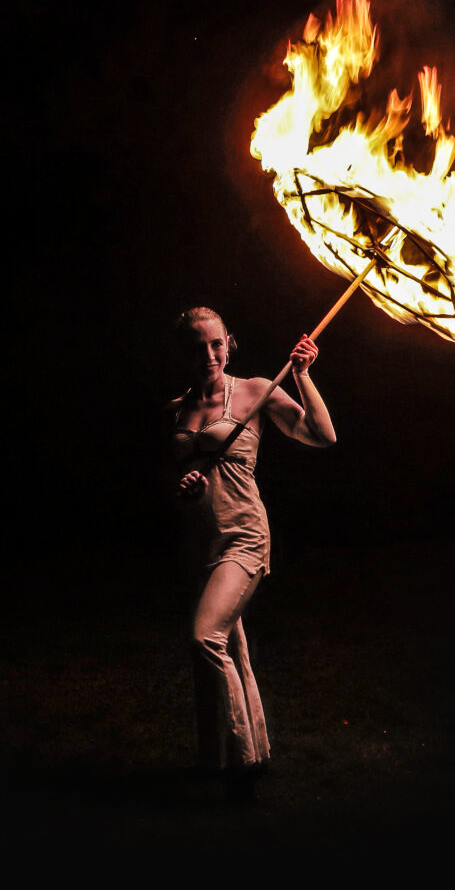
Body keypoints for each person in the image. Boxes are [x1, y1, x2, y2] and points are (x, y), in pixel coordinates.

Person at [163, 306, 336, 800]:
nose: (209, 355)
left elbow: (322, 435)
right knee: (230, 648)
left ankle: (243, 767)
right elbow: (164, 482)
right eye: (198, 346)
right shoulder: (174, 410)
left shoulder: (258, 389)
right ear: (185, 351)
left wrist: (302, 376)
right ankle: (223, 757)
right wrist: (182, 485)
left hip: (243, 535)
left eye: (216, 344)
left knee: (205, 637)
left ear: (229, 343)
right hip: (198, 541)